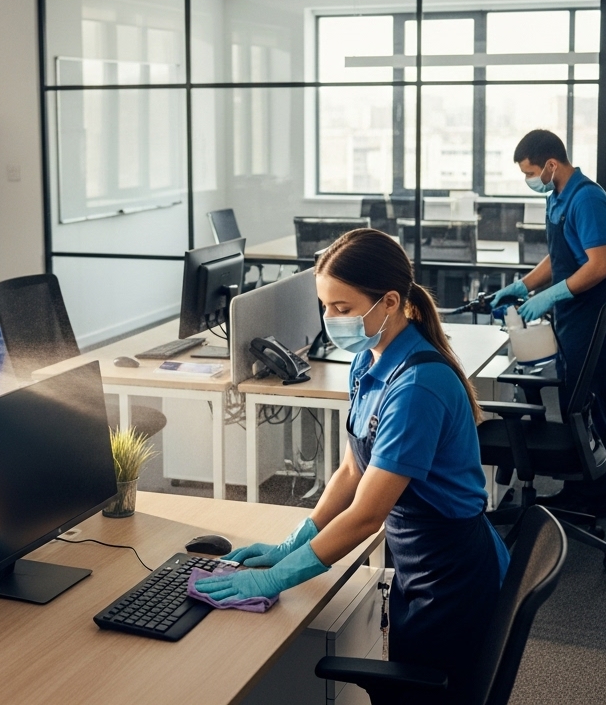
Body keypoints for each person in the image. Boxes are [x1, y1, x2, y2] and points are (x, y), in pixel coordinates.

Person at [196, 229, 510, 704]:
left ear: (389, 302)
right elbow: (352, 471)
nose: (331, 320)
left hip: (452, 577)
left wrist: (278, 577)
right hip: (416, 563)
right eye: (325, 306)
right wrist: (295, 540)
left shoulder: (417, 387)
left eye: (342, 308)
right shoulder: (368, 361)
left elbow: (366, 515)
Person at [492, 129, 606, 517]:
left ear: (551, 164)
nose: (529, 180)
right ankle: (578, 489)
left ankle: (596, 497)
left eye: (530, 173)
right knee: (573, 405)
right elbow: (559, 256)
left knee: (588, 407)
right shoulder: (558, 197)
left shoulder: (587, 198)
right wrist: (524, 285)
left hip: (590, 316)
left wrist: (549, 296)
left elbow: (601, 265)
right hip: (572, 315)